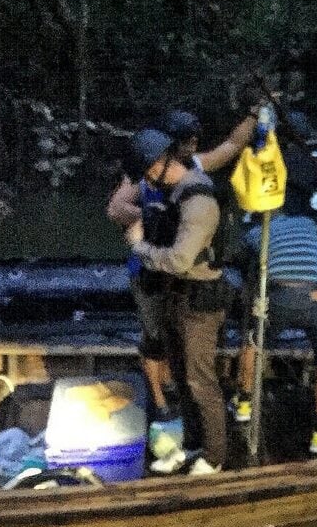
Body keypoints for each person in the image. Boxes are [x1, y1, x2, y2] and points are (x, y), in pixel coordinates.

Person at [107, 111, 254, 418]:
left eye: (194, 142)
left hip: (179, 270)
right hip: (149, 265)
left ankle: (180, 394)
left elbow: (232, 144)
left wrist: (255, 113)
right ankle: (160, 402)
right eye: (187, 142)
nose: (192, 147)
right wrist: (150, 219)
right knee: (154, 338)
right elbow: (116, 208)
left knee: (178, 335)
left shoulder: (194, 169)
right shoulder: (145, 170)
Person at [123, 129, 232, 475]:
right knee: (183, 379)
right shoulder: (179, 192)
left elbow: (181, 260)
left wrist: (139, 246)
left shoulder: (198, 200)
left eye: (146, 173)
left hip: (200, 302)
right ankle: (192, 446)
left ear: (157, 166)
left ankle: (214, 457)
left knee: (201, 380)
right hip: (178, 296)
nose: (148, 180)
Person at [234, 141, 317, 455]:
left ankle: (243, 403)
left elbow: (247, 268)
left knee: (253, 341)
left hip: (281, 296)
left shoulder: (259, 232)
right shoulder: (309, 224)